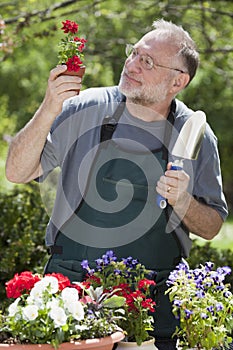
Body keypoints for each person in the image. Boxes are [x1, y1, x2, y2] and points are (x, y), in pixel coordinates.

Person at [5, 19, 228, 349]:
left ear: (178, 81)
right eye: (134, 52)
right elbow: (17, 172)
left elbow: (211, 227)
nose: (132, 64)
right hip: (74, 291)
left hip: (152, 303)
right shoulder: (85, 108)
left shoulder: (195, 135)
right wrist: (50, 106)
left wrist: (182, 200)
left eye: (147, 61)